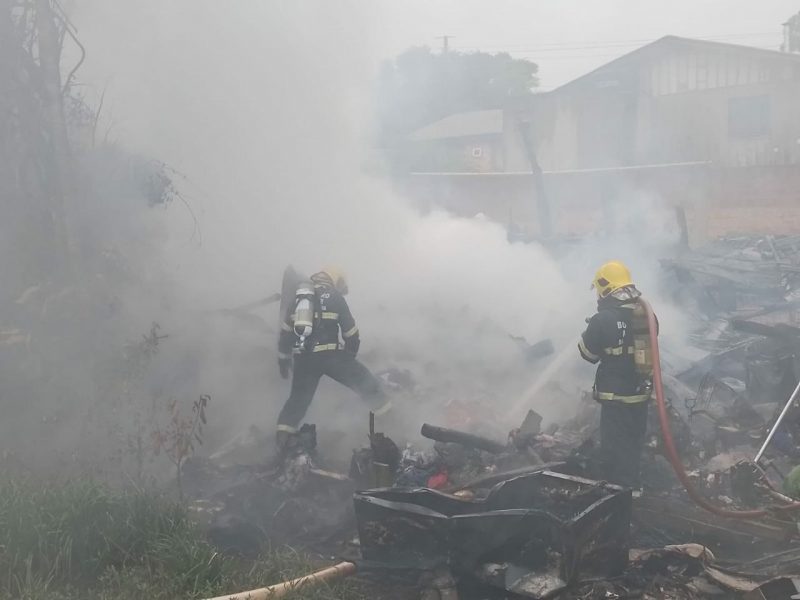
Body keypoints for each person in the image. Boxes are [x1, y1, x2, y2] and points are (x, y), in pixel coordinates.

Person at [276, 266, 391, 448]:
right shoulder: (334, 297)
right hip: (331, 357)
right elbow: (351, 333)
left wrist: (283, 360)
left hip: (304, 360)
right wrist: (350, 357)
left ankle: (282, 441)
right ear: (335, 280)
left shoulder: (299, 299)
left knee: (297, 401)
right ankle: (393, 421)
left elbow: (286, 333)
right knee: (366, 382)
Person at [578, 260, 655, 490]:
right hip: (640, 394)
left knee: (615, 445)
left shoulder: (602, 319)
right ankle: (634, 484)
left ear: (604, 287)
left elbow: (588, 354)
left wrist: (592, 328)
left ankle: (621, 493)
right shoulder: (646, 315)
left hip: (615, 396)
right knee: (634, 441)